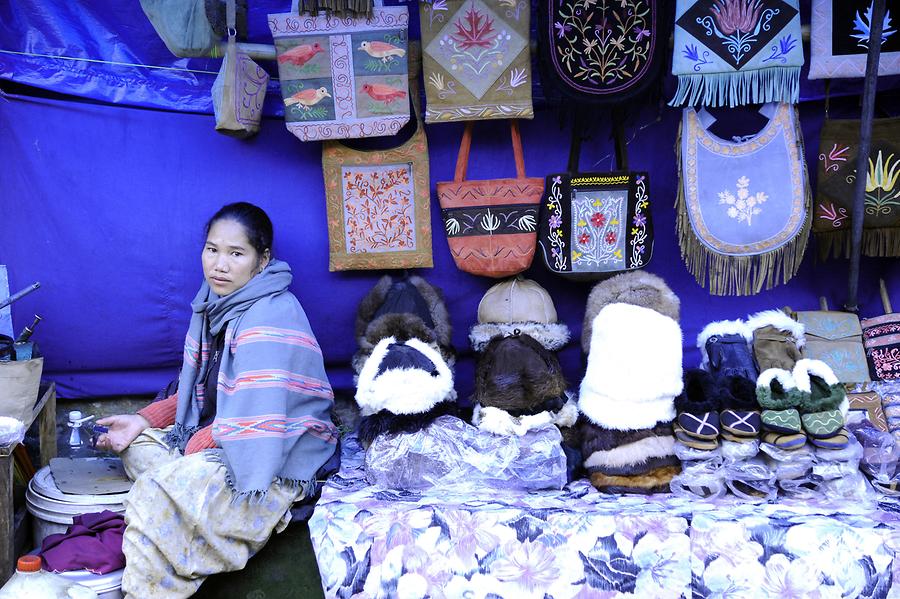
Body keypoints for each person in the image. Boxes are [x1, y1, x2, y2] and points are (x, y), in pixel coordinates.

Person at [95, 202, 339, 598]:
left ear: (262, 261)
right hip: (228, 428)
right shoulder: (216, 302)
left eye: (236, 254)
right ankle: (184, 518)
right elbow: (207, 387)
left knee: (154, 489)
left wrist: (189, 454)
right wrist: (143, 420)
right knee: (139, 449)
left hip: (277, 449)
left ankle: (148, 590)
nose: (219, 265)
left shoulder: (271, 317)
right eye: (212, 250)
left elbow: (259, 414)